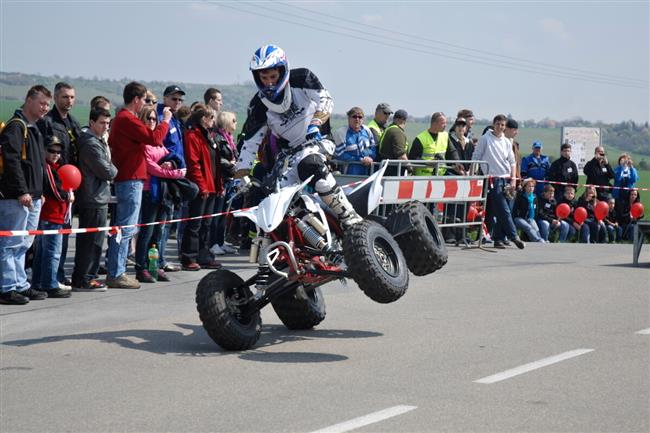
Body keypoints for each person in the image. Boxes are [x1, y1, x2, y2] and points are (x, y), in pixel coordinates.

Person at [235, 44, 363, 229]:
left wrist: (315, 124)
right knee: (275, 197)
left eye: (273, 76)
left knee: (310, 163)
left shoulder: (302, 78)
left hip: (319, 140)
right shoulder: (258, 106)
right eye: (264, 78)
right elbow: (250, 142)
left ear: (282, 70)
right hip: (289, 155)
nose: (269, 82)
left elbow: (326, 99)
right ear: (257, 78)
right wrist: (242, 175)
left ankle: (349, 217)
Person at [107, 81, 172, 289]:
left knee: (126, 226)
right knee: (126, 226)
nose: (146, 104)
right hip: (130, 178)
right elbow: (154, 138)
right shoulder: (126, 119)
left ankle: (118, 270)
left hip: (130, 177)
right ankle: (117, 272)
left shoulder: (123, 120)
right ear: (136, 100)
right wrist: (165, 121)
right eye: (144, 100)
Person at [0, 85, 52, 305]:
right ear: (28, 100)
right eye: (41, 103)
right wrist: (22, 191)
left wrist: (41, 193)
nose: (45, 108)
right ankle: (6, 287)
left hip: (33, 197)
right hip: (16, 197)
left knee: (24, 243)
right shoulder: (16, 127)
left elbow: (37, 165)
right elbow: (12, 162)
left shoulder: (35, 128)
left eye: (47, 104)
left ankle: (21, 284)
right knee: (10, 243)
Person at [38, 82, 83, 289]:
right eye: (65, 97)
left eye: (72, 97)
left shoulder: (73, 122)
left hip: (71, 184)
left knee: (64, 233)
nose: (69, 101)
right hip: (54, 184)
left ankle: (59, 274)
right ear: (56, 98)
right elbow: (47, 155)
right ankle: (48, 278)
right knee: (49, 239)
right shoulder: (48, 121)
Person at [135, 107, 187, 283]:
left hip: (164, 192)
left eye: (153, 119)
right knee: (147, 232)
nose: (151, 121)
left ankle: (153, 266)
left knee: (158, 233)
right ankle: (141, 268)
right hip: (150, 191)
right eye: (148, 118)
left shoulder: (158, 143)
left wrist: (172, 164)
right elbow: (153, 168)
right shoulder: (142, 143)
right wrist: (176, 173)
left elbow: (171, 157)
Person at [72, 107, 116, 292]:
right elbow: (107, 170)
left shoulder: (98, 141)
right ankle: (84, 279)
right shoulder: (90, 143)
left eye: (107, 123)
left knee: (96, 242)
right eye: (102, 123)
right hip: (93, 198)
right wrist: (113, 170)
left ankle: (88, 276)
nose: (105, 126)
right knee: (90, 243)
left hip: (99, 196)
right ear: (91, 123)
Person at [472, 114, 525, 250]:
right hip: (492, 179)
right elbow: (476, 156)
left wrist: (513, 179)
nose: (500, 127)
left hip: (506, 178)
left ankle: (499, 238)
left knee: (505, 208)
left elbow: (512, 161)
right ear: (493, 124)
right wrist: (473, 173)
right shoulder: (486, 139)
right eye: (498, 124)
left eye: (503, 125)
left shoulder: (507, 141)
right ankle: (514, 236)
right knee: (503, 209)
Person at [181, 105, 223, 270]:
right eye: (211, 117)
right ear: (202, 119)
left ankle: (204, 256)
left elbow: (215, 164)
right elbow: (194, 163)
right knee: (195, 224)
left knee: (207, 224)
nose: (213, 121)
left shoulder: (209, 137)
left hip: (212, 186)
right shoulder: (192, 136)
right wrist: (202, 186)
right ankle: (189, 257)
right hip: (202, 187)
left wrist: (218, 186)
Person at [31, 137, 73, 298]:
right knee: (52, 251)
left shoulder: (56, 167)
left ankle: (39, 282)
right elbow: (55, 190)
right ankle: (49, 284)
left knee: (43, 251)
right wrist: (67, 195)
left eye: (58, 151)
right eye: (51, 151)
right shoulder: (47, 168)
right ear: (44, 151)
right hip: (51, 215)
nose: (55, 154)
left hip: (54, 215)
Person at [154, 85, 188, 273]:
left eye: (180, 100)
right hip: (164, 174)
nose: (177, 102)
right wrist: (170, 162)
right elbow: (159, 144)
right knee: (162, 221)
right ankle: (157, 261)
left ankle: (161, 258)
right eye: (174, 99)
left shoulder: (174, 119)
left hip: (175, 173)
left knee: (168, 220)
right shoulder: (162, 117)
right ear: (165, 98)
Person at [209, 111, 239, 256]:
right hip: (221, 180)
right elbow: (218, 160)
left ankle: (220, 242)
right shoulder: (218, 138)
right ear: (226, 122)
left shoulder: (229, 138)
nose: (236, 123)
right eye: (233, 120)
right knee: (217, 213)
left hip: (229, 179)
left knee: (223, 214)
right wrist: (232, 166)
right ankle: (213, 243)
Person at [332, 106, 377, 175]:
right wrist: (359, 159)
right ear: (349, 118)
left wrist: (370, 158)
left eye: (360, 117)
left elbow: (373, 148)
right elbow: (340, 154)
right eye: (354, 117)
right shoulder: (341, 133)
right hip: (348, 174)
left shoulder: (367, 131)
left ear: (363, 119)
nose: (357, 119)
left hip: (367, 173)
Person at [408, 112, 449, 176]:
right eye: (443, 123)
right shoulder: (420, 138)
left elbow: (452, 152)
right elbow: (412, 158)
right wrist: (427, 163)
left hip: (440, 177)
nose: (445, 125)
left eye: (446, 123)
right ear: (434, 124)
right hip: (423, 178)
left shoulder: (445, 135)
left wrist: (457, 162)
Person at [378, 109, 409, 176]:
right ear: (403, 120)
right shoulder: (397, 132)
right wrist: (410, 167)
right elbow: (401, 156)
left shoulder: (389, 128)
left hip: (385, 169)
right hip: (394, 172)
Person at [512, 178, 543, 242]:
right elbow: (514, 210)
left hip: (530, 218)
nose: (531, 188)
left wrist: (532, 219)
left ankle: (541, 240)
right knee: (527, 226)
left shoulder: (535, 197)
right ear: (525, 187)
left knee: (535, 228)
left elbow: (536, 210)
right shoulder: (520, 196)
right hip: (519, 218)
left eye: (532, 186)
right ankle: (537, 240)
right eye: (529, 186)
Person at [504, 119, 522, 187]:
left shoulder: (515, 145)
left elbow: (517, 164)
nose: (517, 132)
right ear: (507, 129)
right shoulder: (499, 143)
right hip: (503, 178)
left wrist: (518, 179)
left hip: (514, 180)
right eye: (515, 130)